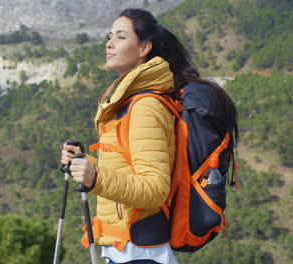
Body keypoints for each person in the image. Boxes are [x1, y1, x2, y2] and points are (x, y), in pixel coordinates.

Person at [61, 8, 238, 264]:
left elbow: (154, 189)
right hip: (124, 250)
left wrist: (95, 178)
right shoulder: (129, 102)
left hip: (140, 253)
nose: (109, 43)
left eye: (121, 37)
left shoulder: (146, 106)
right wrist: (85, 163)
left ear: (144, 49)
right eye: (110, 36)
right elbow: (127, 170)